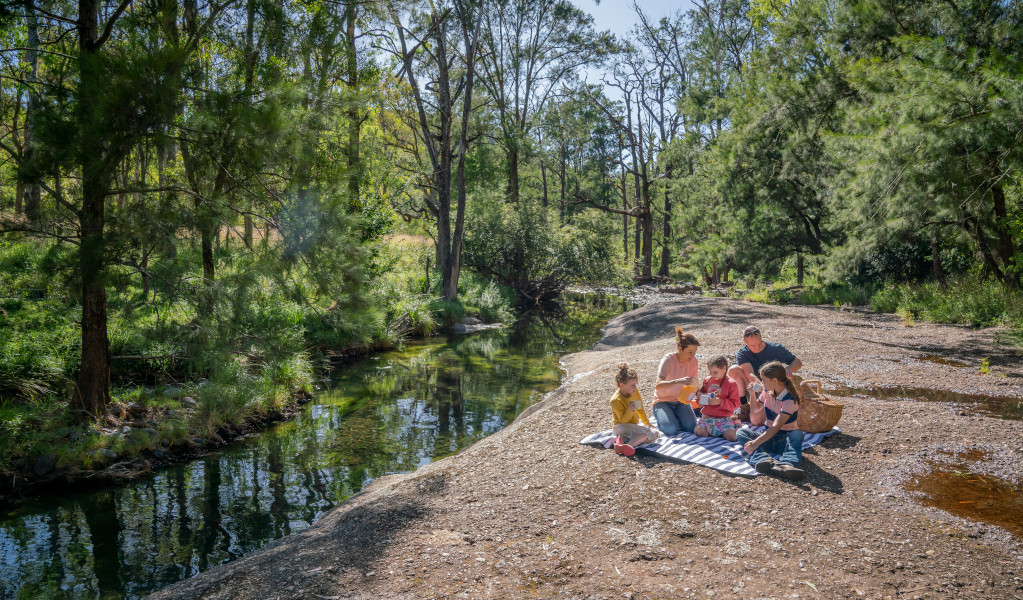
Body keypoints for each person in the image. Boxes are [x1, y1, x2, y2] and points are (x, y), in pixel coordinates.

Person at [736, 361, 805, 481]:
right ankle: (763, 460)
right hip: (767, 438)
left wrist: (756, 442)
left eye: (764, 380)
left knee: (797, 434)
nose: (762, 383)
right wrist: (752, 394)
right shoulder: (767, 392)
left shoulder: (790, 400)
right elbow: (755, 409)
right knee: (741, 432)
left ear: (774, 380)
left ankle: (787, 464)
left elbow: (775, 427)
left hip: (783, 441)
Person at [728, 325, 803, 404]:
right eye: (753, 346)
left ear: (761, 336)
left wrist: (789, 369)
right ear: (745, 342)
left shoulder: (775, 348)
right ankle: (743, 405)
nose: (757, 347)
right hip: (755, 386)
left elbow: (798, 362)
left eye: (759, 344)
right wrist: (763, 388)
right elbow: (749, 373)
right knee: (733, 369)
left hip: (774, 386)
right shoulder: (743, 353)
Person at [651, 326, 700, 436]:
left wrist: (698, 393)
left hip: (681, 401)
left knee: (691, 427)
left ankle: (674, 417)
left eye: (695, 352)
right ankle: (666, 418)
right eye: (690, 352)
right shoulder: (668, 360)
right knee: (671, 430)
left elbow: (695, 383)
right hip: (662, 401)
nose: (693, 356)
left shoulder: (694, 361)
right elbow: (658, 386)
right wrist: (679, 381)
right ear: (679, 349)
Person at [610, 362, 658, 457]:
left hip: (630, 426)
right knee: (650, 434)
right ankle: (628, 446)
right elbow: (623, 421)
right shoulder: (615, 400)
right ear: (622, 385)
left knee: (649, 433)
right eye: (632, 385)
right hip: (620, 427)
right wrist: (629, 410)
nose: (635, 388)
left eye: (636, 384)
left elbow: (640, 409)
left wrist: (647, 423)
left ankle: (621, 442)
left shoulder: (634, 392)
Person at [694, 355, 742, 441]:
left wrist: (720, 402)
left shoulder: (731, 383)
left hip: (724, 418)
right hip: (707, 417)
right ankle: (716, 431)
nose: (712, 375)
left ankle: (735, 425)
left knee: (732, 438)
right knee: (701, 433)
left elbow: (736, 404)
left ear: (724, 368)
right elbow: (702, 396)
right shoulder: (707, 380)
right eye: (710, 372)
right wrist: (700, 401)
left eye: (715, 372)